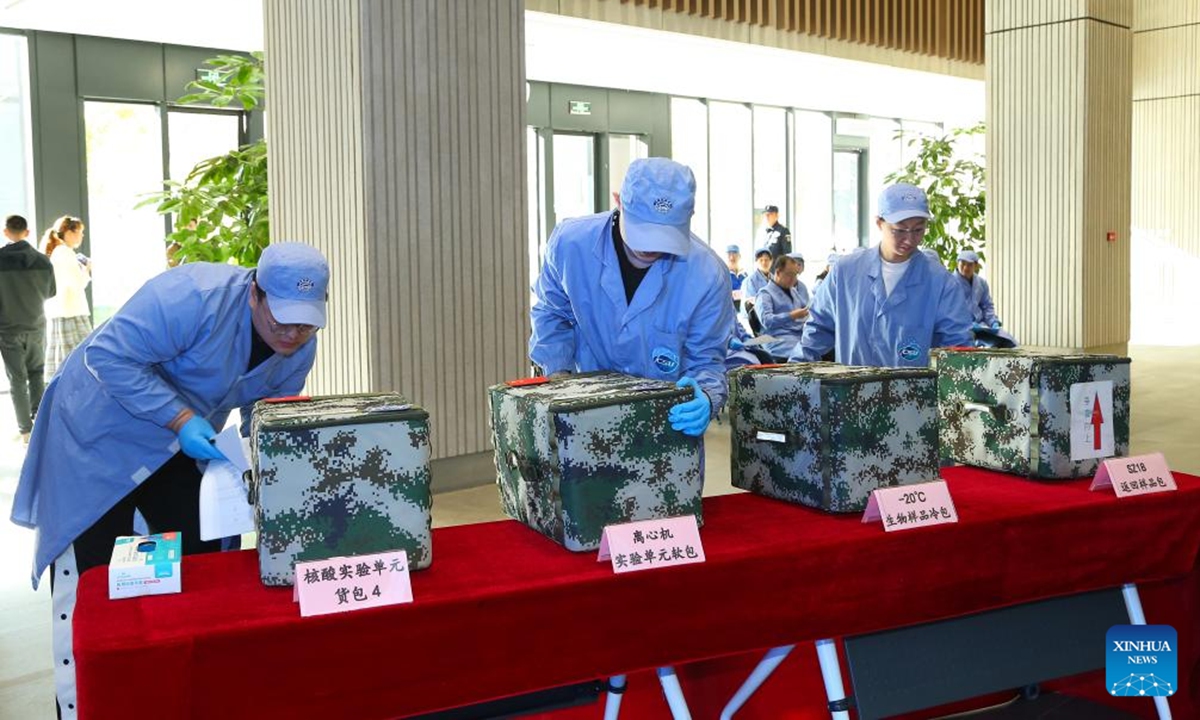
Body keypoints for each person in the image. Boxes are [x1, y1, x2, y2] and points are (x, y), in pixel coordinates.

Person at [11, 242, 329, 717]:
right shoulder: (190, 296)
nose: (291, 332)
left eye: (305, 322)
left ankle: (176, 692)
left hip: (179, 441)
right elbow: (108, 357)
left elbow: (263, 416)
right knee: (97, 577)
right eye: (281, 317)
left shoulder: (300, 347)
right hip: (96, 431)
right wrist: (180, 418)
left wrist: (268, 463)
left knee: (203, 555)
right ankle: (83, 705)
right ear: (254, 294)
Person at [530, 157, 733, 437]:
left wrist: (707, 398)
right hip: (583, 419)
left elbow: (707, 358)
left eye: (664, 235)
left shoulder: (708, 276)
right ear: (618, 202)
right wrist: (558, 377)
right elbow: (551, 313)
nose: (650, 248)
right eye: (644, 230)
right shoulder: (570, 245)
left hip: (663, 426)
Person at [789, 183, 972, 367]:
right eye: (899, 230)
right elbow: (816, 331)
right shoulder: (844, 273)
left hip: (914, 394)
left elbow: (958, 350)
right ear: (879, 223)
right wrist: (789, 378)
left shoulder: (941, 282)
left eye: (918, 229)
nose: (909, 239)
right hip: (852, 392)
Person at [0, 214, 56, 444]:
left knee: (17, 379)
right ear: (28, 232)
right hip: (36, 326)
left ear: (6, 232)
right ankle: (40, 423)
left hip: (8, 328)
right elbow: (51, 292)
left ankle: (25, 431)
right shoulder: (43, 261)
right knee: (37, 374)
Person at [41, 216, 93, 377]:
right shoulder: (65, 253)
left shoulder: (58, 252)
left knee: (63, 358)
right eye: (80, 232)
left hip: (63, 310)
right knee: (81, 356)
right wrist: (86, 270)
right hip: (71, 311)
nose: (82, 236)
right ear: (69, 232)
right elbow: (76, 284)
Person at [754, 254, 810, 360]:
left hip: (798, 335)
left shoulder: (793, 291)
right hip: (778, 340)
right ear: (778, 272)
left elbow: (806, 309)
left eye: (795, 275)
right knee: (804, 355)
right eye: (790, 275)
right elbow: (767, 321)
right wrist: (791, 316)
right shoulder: (765, 294)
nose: (793, 279)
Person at [954, 249, 1000, 329]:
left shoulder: (981, 283)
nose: (965, 268)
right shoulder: (950, 282)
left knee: (1005, 339)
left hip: (980, 325)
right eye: (963, 264)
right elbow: (948, 311)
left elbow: (987, 305)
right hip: (958, 327)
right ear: (957, 263)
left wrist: (993, 322)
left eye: (969, 265)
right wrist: (966, 325)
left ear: (976, 266)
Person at [740, 247, 773, 333]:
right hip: (754, 323)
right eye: (761, 260)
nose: (764, 262)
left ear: (771, 261)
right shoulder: (749, 281)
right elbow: (752, 303)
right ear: (756, 262)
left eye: (766, 260)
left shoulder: (775, 279)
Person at [726, 244, 747, 311]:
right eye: (729, 254)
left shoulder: (745, 275)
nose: (732, 257)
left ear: (739, 256)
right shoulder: (723, 275)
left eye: (735, 254)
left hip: (744, 312)